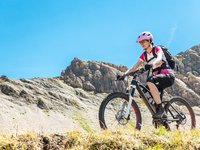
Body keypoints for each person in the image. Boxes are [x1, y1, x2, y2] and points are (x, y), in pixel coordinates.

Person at [121, 31, 175, 119]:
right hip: (157, 78)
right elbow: (134, 67)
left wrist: (152, 64)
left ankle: (161, 109)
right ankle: (158, 115)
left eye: (144, 41)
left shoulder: (157, 49)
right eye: (140, 42)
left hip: (168, 75)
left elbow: (159, 59)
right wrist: (124, 74)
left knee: (150, 80)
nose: (141, 44)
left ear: (149, 40)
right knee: (143, 93)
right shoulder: (144, 55)